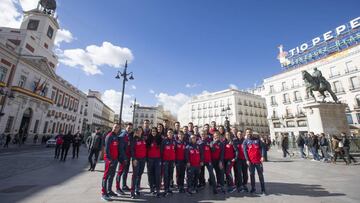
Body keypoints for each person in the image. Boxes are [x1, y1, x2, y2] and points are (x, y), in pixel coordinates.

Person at [101, 124, 121, 201]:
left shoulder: (116, 136)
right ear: (112, 127)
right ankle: (103, 193)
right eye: (115, 127)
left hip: (115, 159)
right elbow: (107, 149)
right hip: (109, 159)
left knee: (112, 175)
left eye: (118, 127)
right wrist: (109, 160)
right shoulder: (109, 136)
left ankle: (109, 190)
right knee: (106, 176)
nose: (116, 128)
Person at [243, 128, 266, 195]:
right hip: (250, 162)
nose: (249, 133)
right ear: (246, 133)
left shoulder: (257, 140)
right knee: (252, 175)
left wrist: (262, 156)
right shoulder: (245, 142)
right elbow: (245, 152)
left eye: (250, 132)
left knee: (260, 175)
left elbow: (263, 148)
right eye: (247, 132)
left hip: (258, 161)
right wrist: (247, 160)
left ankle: (263, 189)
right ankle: (253, 189)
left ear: (252, 132)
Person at [130, 127, 147, 199]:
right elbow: (132, 149)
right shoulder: (134, 139)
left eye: (141, 130)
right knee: (135, 175)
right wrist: (134, 159)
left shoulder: (143, 138)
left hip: (143, 159)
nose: (140, 131)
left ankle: (137, 189)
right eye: (138, 130)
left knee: (140, 174)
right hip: (136, 160)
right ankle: (132, 192)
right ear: (136, 131)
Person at [198, 129, 217, 194]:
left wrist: (212, 145)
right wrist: (200, 161)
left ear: (206, 135)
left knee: (211, 174)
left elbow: (213, 150)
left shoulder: (209, 141)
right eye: (202, 134)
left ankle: (215, 188)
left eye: (204, 134)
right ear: (200, 135)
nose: (203, 135)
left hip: (208, 161)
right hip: (201, 161)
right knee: (200, 174)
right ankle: (201, 184)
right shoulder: (198, 142)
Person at [116, 123, 133, 194]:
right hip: (123, 158)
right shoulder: (123, 135)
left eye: (131, 128)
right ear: (126, 127)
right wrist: (124, 158)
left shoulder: (128, 135)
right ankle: (117, 188)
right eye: (128, 128)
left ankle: (124, 185)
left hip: (128, 157)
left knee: (125, 172)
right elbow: (121, 149)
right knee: (120, 172)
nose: (129, 129)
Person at [146, 127, 162, 197]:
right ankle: (152, 189)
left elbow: (162, 150)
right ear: (151, 132)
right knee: (150, 174)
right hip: (150, 159)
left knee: (157, 174)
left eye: (155, 131)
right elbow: (145, 150)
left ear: (157, 132)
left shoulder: (160, 139)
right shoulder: (148, 140)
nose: (154, 132)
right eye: (152, 131)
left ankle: (157, 189)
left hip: (157, 159)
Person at [161, 129, 176, 196]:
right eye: (169, 132)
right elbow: (161, 151)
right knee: (166, 175)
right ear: (167, 133)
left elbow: (175, 151)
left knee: (170, 175)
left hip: (172, 161)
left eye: (171, 132)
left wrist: (174, 161)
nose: (170, 134)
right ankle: (165, 189)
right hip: (165, 161)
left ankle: (169, 188)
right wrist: (162, 161)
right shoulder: (164, 141)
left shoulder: (173, 141)